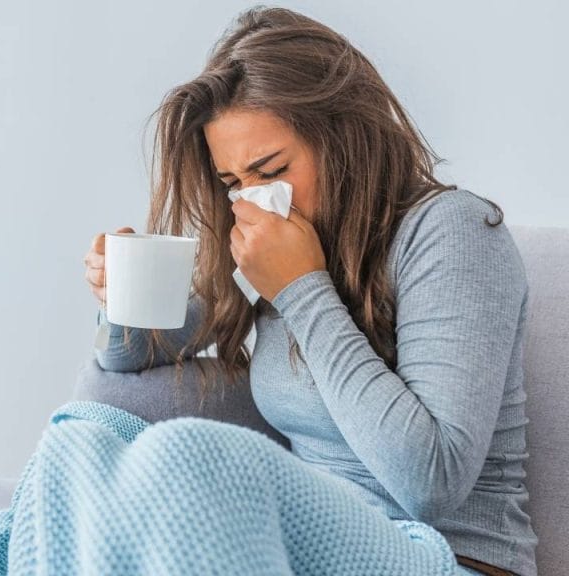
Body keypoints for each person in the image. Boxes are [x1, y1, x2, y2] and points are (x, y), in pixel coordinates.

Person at [82, 7, 537, 576]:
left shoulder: (453, 231)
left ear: (343, 135)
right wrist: (117, 293)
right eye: (234, 184)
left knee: (182, 460)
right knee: (82, 441)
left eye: (271, 169)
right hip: (304, 552)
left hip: (442, 557)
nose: (254, 202)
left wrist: (301, 288)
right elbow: (125, 358)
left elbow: (431, 481)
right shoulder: (288, 238)